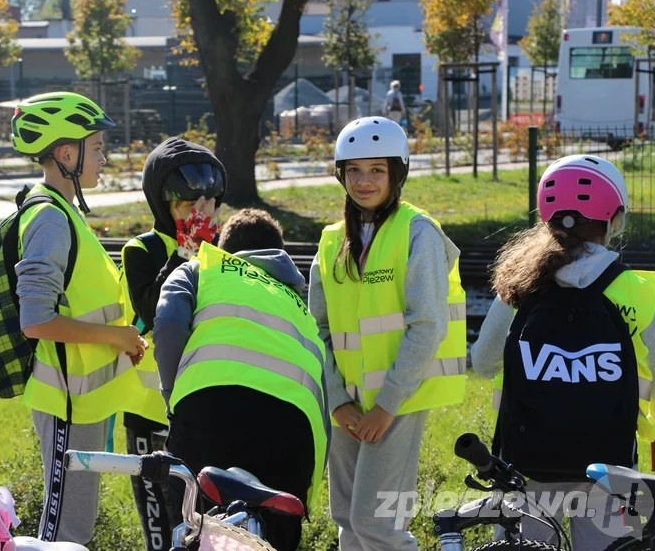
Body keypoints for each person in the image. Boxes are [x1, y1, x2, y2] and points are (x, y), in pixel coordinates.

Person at [471, 154, 655, 550]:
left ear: (546, 218)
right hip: (608, 464)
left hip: (525, 463)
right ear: (615, 221)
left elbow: (483, 361)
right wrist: (650, 423)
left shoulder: (520, 281)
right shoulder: (635, 290)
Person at [308, 116, 467, 551]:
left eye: (377, 170)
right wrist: (336, 399)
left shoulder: (418, 233)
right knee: (347, 519)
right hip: (348, 406)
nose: (364, 181)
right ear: (341, 174)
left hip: (397, 402)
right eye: (354, 170)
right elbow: (317, 328)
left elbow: (428, 324)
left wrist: (387, 405)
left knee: (376, 524)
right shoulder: (331, 242)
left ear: (397, 173)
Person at [9, 91, 147, 545]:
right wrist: (114, 335)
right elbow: (37, 320)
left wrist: (122, 338)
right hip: (66, 401)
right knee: (64, 531)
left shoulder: (65, 211)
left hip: (81, 400)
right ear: (67, 153)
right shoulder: (50, 218)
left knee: (76, 526)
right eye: (98, 146)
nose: (105, 156)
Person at [153, 208, 330, 551]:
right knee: (275, 539)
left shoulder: (204, 269)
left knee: (195, 531)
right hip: (294, 434)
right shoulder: (299, 307)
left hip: (210, 411)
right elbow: (320, 393)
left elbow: (169, 324)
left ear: (224, 248)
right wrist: (307, 490)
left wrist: (173, 397)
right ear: (280, 255)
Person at [119, 137, 226, 551]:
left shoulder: (224, 248)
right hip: (151, 410)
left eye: (210, 203)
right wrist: (184, 252)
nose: (201, 213)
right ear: (163, 204)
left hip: (205, 400)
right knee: (161, 527)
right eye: (187, 206)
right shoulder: (142, 250)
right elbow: (149, 311)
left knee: (206, 521)